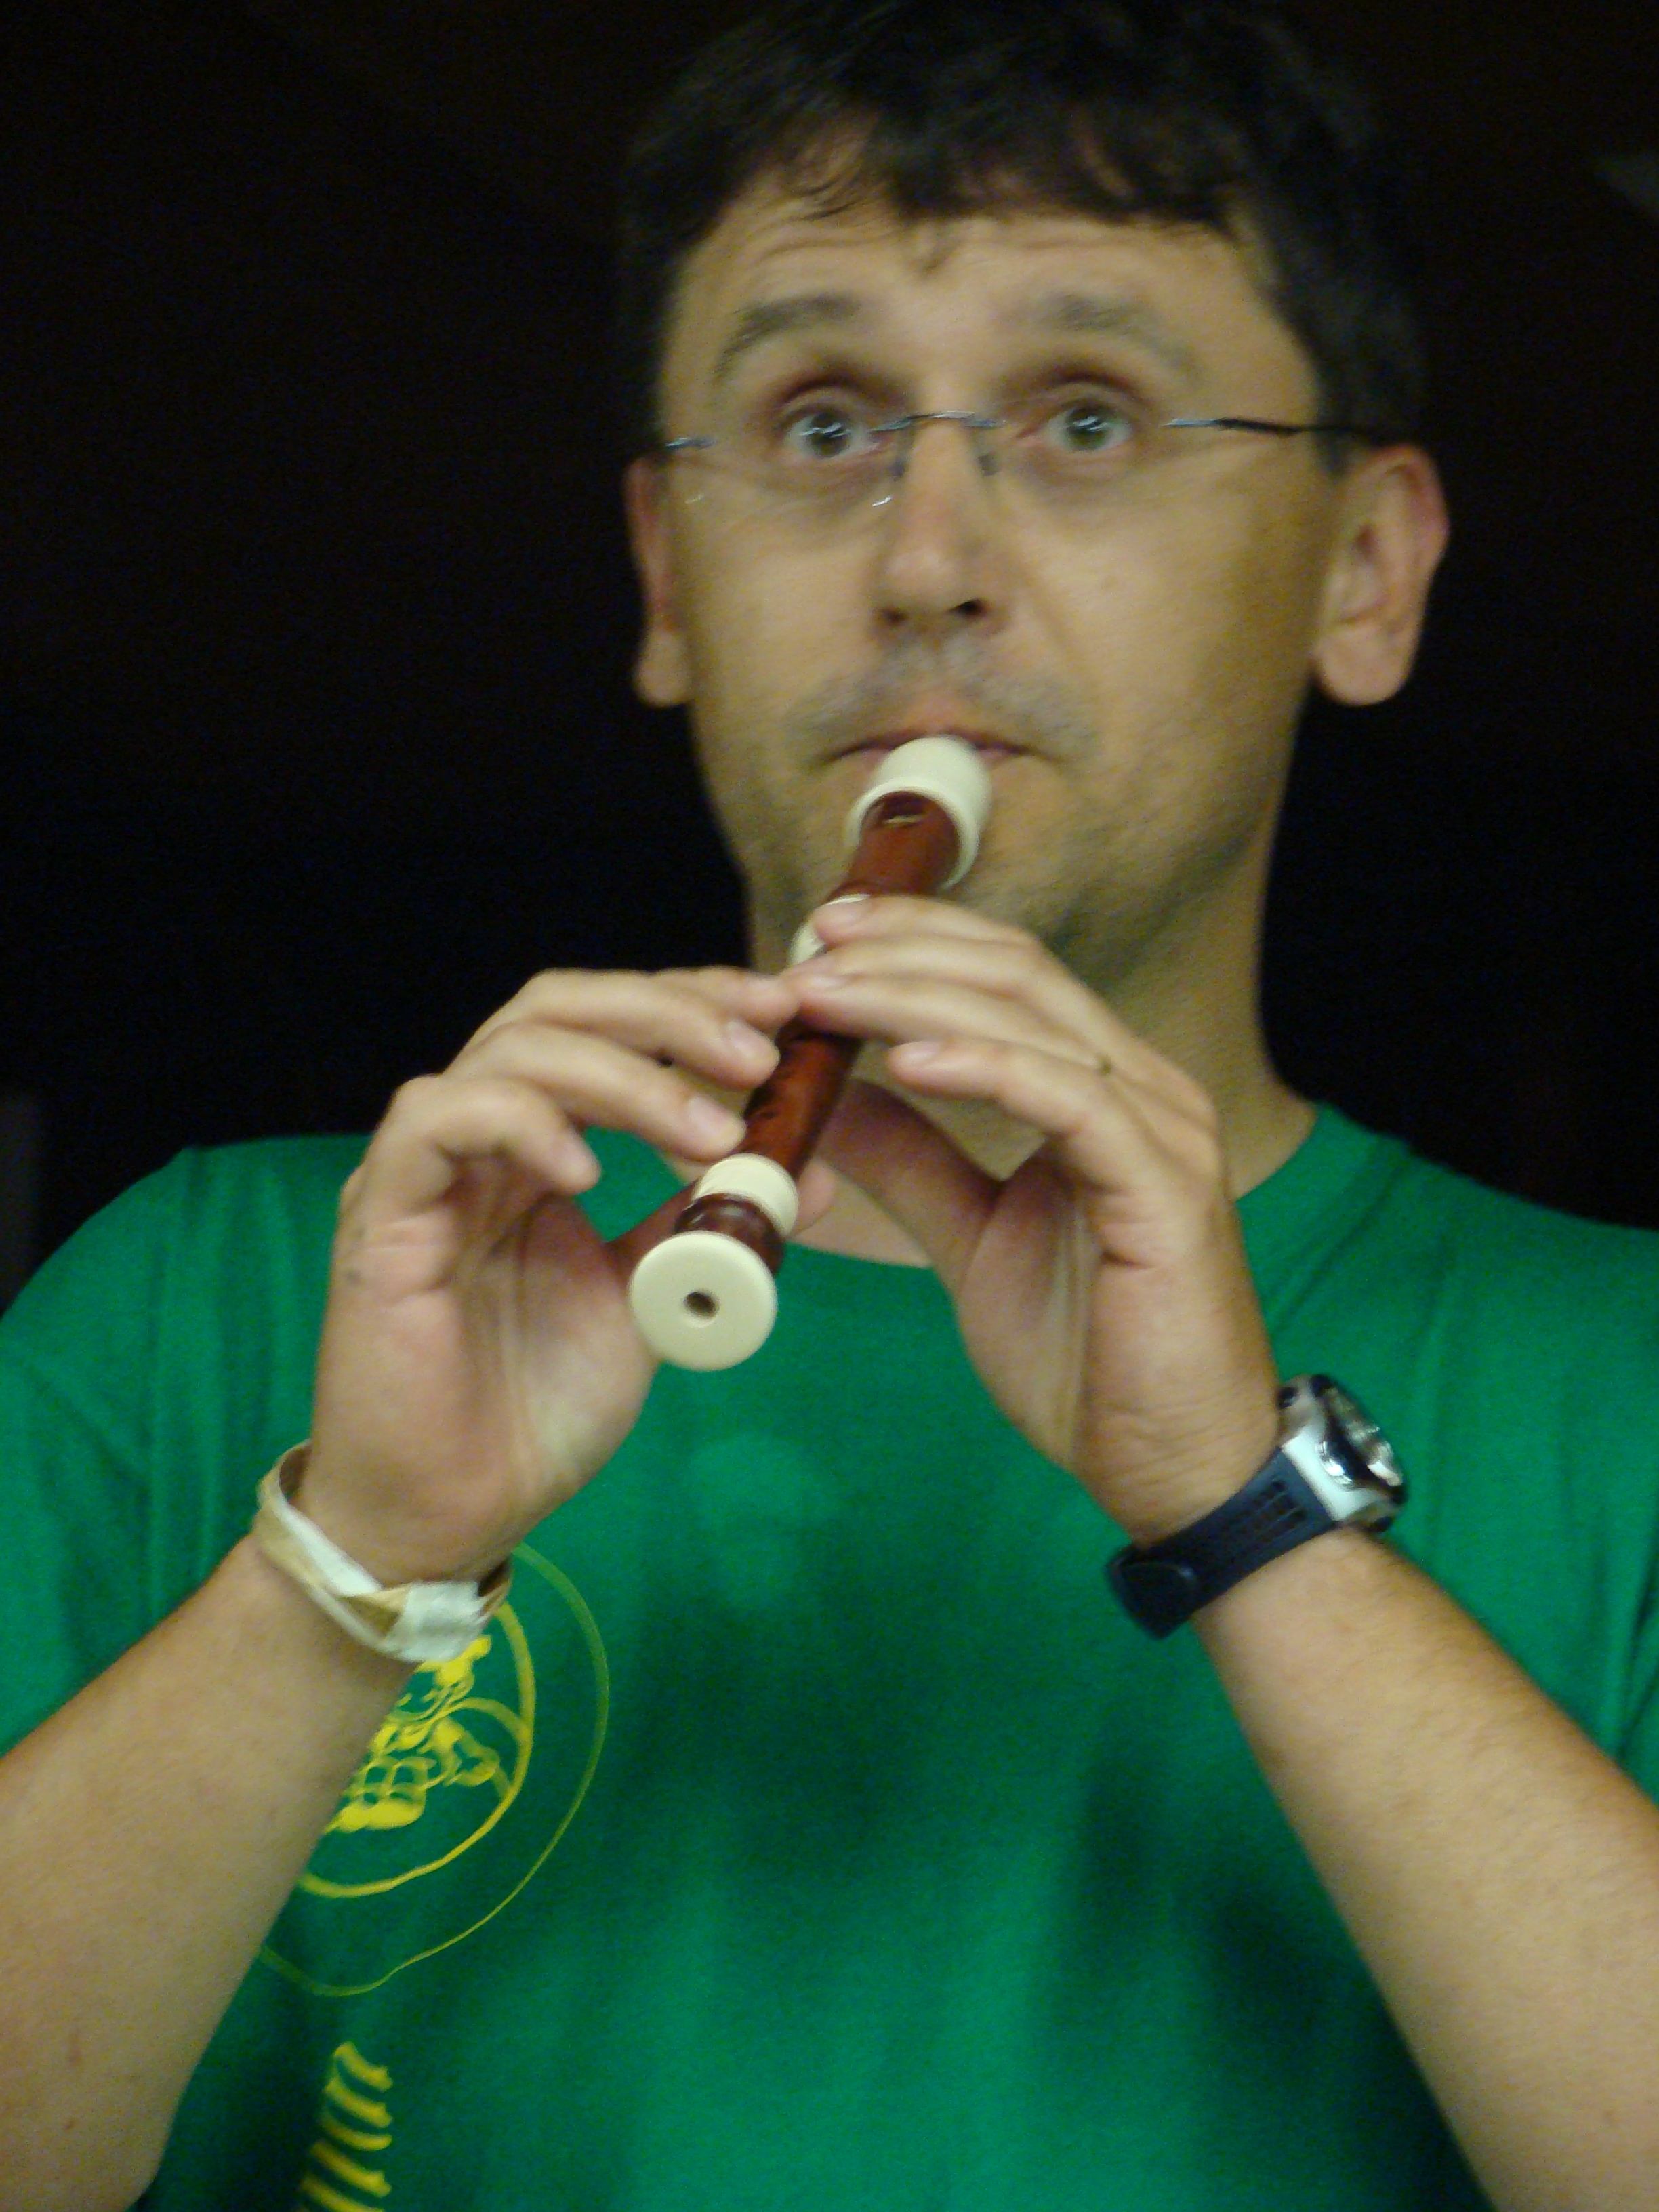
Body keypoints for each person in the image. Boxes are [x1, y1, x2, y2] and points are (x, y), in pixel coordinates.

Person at [3, 2, 1659, 2206]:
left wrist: (1244, 1514)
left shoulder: (1624, 1380)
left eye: (1088, 417)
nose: (925, 558)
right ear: (665, 577)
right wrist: (347, 1575)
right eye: (818, 425)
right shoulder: (208, 1294)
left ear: (1367, 566)